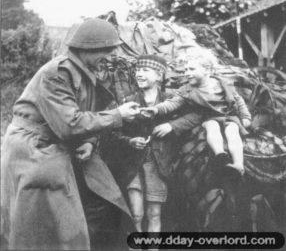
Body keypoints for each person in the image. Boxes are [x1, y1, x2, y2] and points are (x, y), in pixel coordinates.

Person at [1, 18, 140, 250]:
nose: (109, 57)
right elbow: (70, 123)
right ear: (88, 49)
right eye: (105, 51)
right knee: (44, 224)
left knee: (104, 201)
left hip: (61, 145)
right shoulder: (57, 73)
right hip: (36, 152)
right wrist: (119, 115)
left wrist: (89, 141)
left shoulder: (85, 72)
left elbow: (87, 114)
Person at [105, 54, 201, 235]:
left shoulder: (174, 99)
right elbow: (111, 131)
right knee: (136, 213)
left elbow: (196, 116)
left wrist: (171, 126)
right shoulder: (127, 101)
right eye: (138, 70)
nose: (139, 74)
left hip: (160, 165)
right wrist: (130, 141)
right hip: (132, 165)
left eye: (145, 70)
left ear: (159, 76)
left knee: (154, 214)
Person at [142, 48, 252, 178]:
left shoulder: (223, 84)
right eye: (185, 70)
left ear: (208, 70)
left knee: (233, 131)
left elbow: (238, 100)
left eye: (192, 69)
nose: (187, 73)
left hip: (229, 117)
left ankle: (238, 164)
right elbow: (172, 103)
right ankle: (220, 154)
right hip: (210, 118)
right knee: (212, 127)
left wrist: (245, 117)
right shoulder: (187, 90)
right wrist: (156, 109)